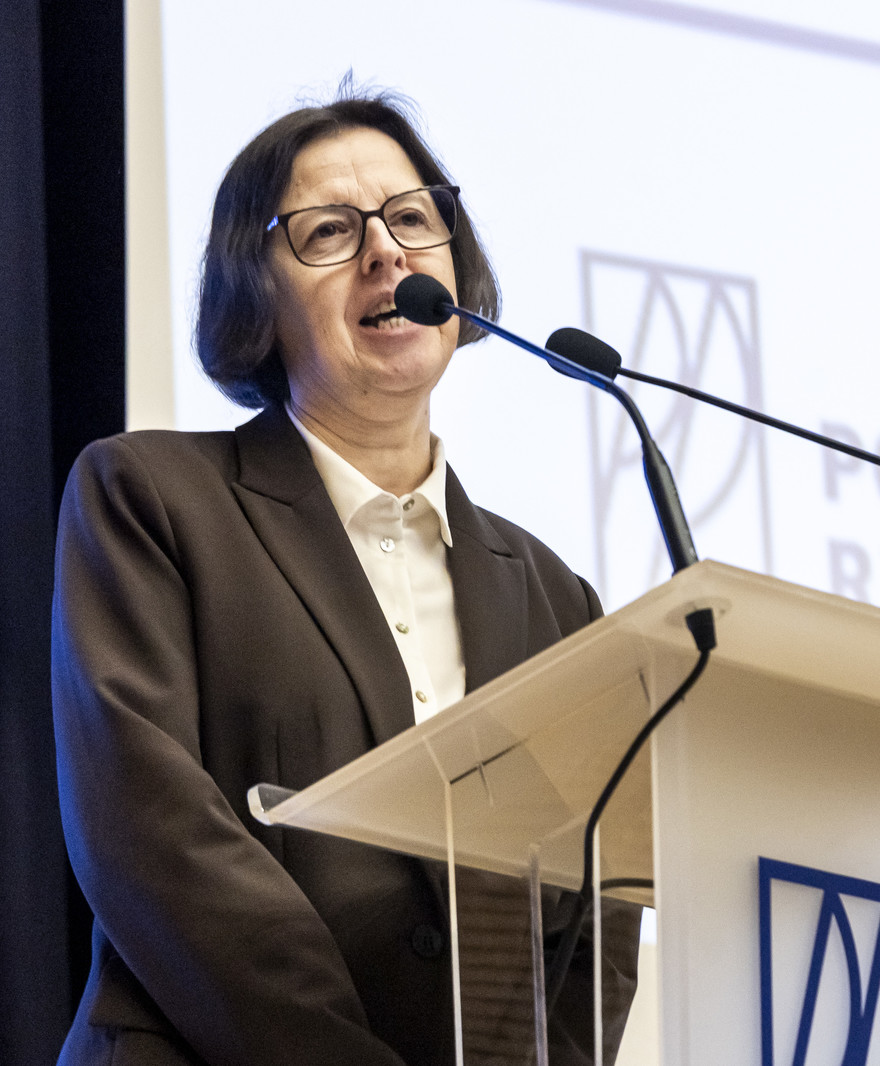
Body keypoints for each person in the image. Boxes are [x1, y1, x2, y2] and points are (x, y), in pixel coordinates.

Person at [52, 91, 639, 1065]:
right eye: (330, 230)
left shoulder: (554, 597)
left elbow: (597, 906)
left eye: (411, 218)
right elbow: (153, 840)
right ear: (254, 296)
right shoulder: (152, 499)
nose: (386, 253)